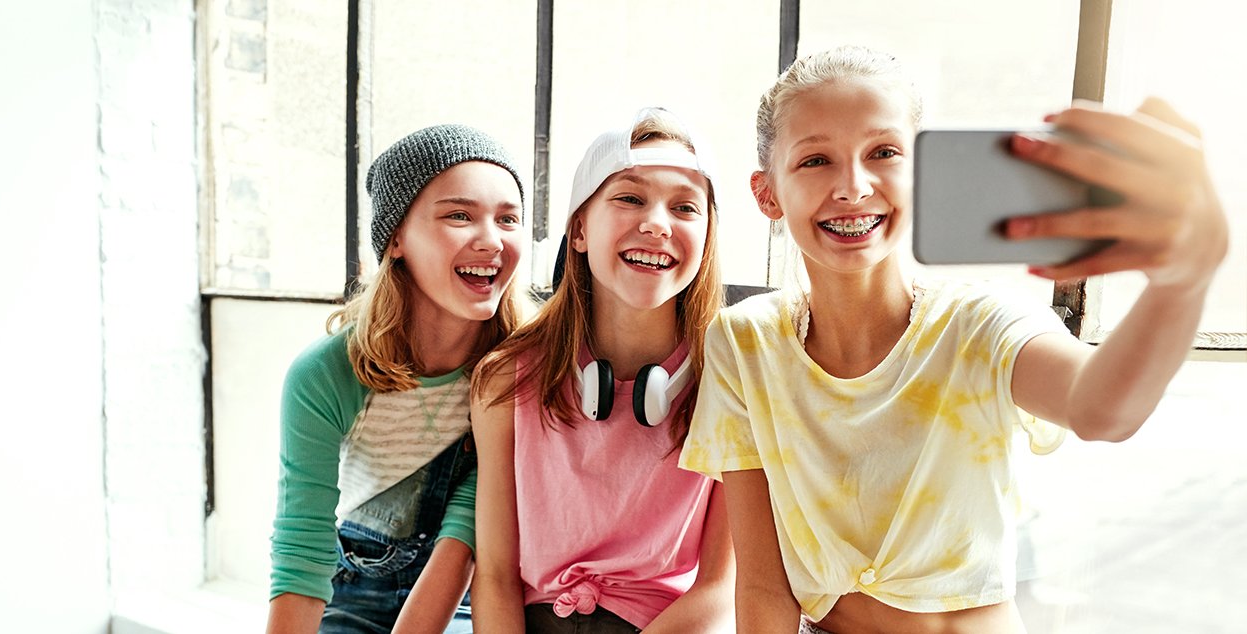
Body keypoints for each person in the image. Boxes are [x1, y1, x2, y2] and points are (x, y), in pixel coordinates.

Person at [679, 46, 1228, 633]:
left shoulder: (982, 324)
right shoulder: (744, 341)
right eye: (816, 160)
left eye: (884, 152)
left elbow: (1101, 409)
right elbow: (763, 590)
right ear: (768, 194)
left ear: (923, 174)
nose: (853, 186)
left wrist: (1181, 281)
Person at [470, 107, 736, 633]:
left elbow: (720, 589)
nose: (657, 223)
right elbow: (496, 574)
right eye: (630, 198)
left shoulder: (737, 384)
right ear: (578, 231)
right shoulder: (505, 379)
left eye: (685, 207)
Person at [266, 124, 529, 634]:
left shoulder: (520, 364)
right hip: (354, 588)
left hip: (470, 592)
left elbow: (465, 533)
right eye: (459, 215)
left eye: (508, 218)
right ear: (396, 238)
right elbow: (303, 546)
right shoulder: (325, 373)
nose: (491, 239)